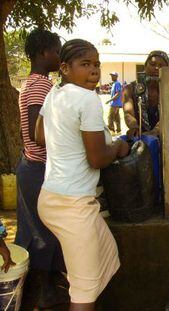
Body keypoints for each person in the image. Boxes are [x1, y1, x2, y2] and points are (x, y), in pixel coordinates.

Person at [35, 39, 129, 310]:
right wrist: (118, 146)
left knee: (107, 254)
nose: (94, 71)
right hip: (73, 205)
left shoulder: (55, 93)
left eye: (97, 64)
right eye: (85, 64)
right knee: (84, 289)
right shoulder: (87, 99)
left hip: (50, 198)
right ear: (64, 68)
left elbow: (39, 136)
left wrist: (66, 138)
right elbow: (97, 158)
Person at [15, 28, 67, 308]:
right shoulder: (40, 86)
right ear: (42, 53)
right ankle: (45, 290)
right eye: (57, 51)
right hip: (38, 167)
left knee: (36, 226)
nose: (59, 57)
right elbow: (40, 132)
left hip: (30, 165)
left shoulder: (34, 82)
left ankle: (41, 285)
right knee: (43, 229)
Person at [123, 50, 169, 137]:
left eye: (161, 66)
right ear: (145, 66)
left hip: (167, 137)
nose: (156, 68)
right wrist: (134, 127)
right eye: (152, 64)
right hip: (139, 136)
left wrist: (155, 131)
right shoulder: (130, 89)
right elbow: (128, 113)